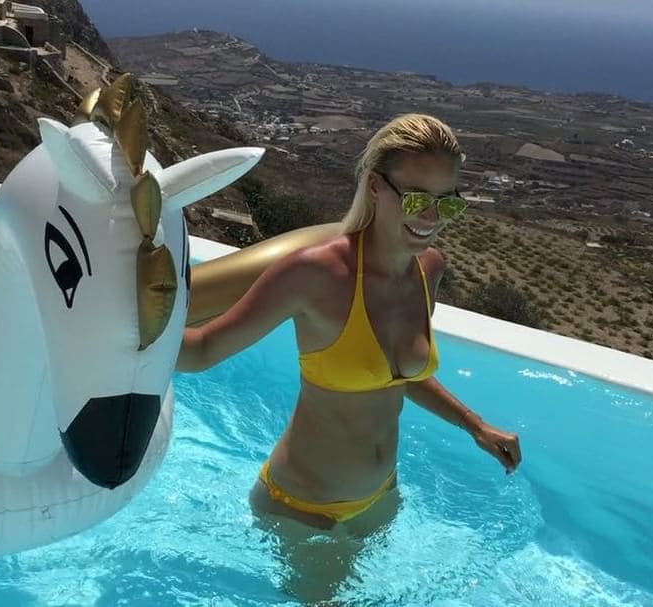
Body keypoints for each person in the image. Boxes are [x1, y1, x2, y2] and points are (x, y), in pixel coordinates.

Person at [176, 113, 522, 602]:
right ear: (375, 186)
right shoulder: (314, 275)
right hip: (303, 510)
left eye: (447, 203)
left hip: (380, 497)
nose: (431, 218)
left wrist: (475, 425)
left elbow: (396, 375)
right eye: (417, 199)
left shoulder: (428, 269)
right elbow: (202, 350)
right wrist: (113, 329)